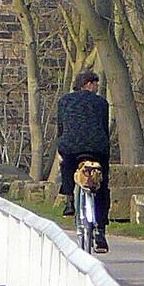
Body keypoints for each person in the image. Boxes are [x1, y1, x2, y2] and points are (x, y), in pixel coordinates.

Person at [55, 71, 111, 252]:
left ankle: (69, 200)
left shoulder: (64, 101)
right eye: (95, 84)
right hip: (97, 148)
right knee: (102, 184)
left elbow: (61, 127)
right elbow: (104, 128)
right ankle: (100, 231)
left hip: (71, 146)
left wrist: (61, 146)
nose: (97, 87)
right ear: (88, 84)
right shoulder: (101, 103)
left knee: (66, 164)